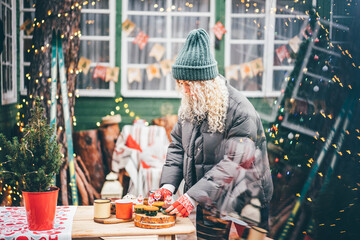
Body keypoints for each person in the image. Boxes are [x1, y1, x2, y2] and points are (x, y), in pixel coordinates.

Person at [151, 28, 273, 239]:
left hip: (244, 203)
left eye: (189, 84)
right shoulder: (190, 105)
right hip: (208, 197)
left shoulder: (240, 110)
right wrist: (168, 186)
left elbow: (234, 164)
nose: (185, 90)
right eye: (181, 84)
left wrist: (191, 197)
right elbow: (178, 146)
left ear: (207, 83)